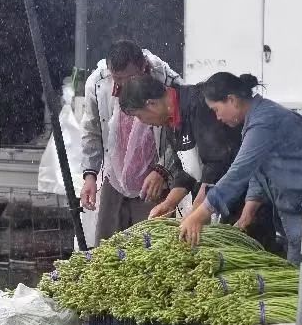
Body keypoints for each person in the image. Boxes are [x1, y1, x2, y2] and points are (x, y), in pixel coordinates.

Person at [177, 73, 302, 282]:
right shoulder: (256, 119)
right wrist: (249, 210)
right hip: (298, 216)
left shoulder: (264, 122)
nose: (217, 118)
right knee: (300, 288)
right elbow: (258, 168)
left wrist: (199, 214)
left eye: (216, 110)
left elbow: (239, 172)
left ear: (232, 100)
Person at [117, 74, 280, 253]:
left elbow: (217, 163)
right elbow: (186, 167)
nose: (144, 123)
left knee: (253, 253)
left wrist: (197, 213)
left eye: (140, 116)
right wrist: (170, 203)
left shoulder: (199, 105)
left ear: (151, 104)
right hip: (215, 202)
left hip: (243, 198)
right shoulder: (170, 120)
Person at [79, 40, 182, 246]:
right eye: (118, 79)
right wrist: (90, 175)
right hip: (115, 176)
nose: (124, 85)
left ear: (143, 66)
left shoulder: (167, 81)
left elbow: (178, 133)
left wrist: (163, 169)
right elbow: (92, 131)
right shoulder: (99, 82)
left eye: (130, 78)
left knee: (150, 246)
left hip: (154, 177)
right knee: (107, 245)